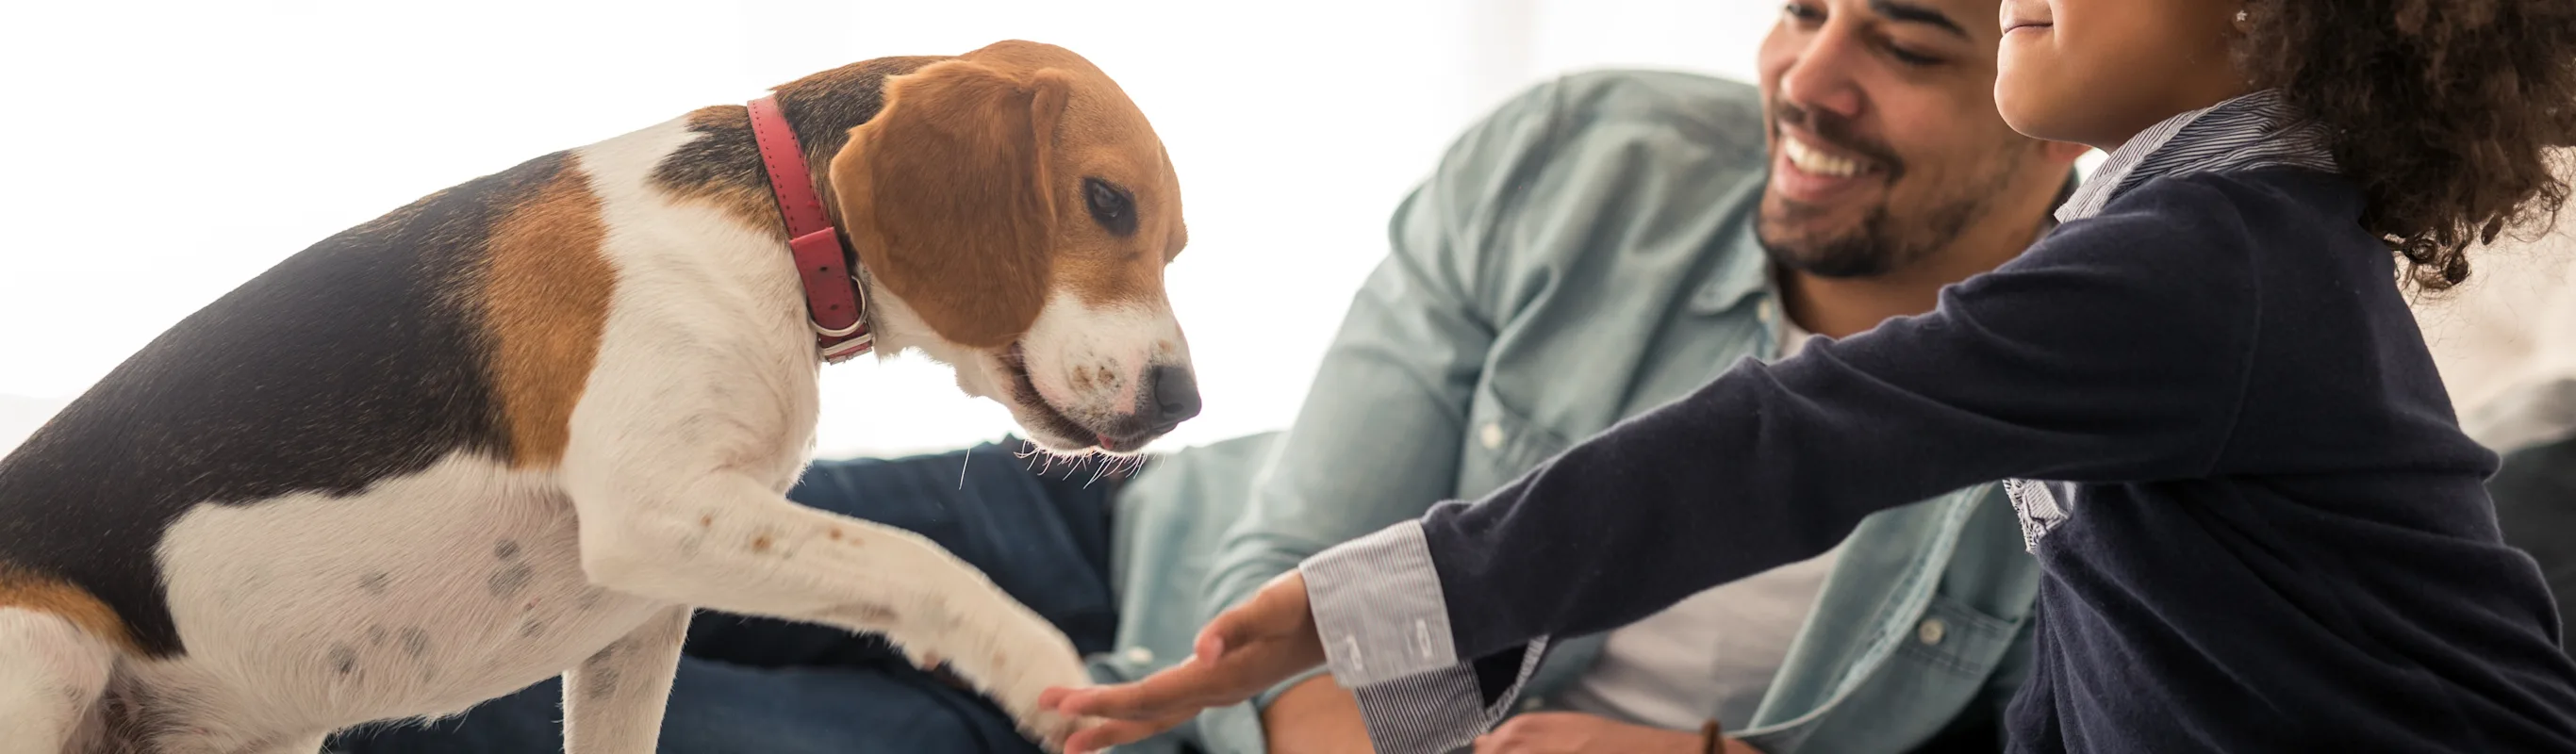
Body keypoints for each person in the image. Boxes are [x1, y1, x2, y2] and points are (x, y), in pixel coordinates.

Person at [327, 0, 2087, 751]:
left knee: (461, 717)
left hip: (1113, 720)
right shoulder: (1583, 159)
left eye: (1906, 45)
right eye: (1801, 10)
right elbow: (1297, 552)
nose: (1811, 79)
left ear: (2048, 70)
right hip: (1115, 537)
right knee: (473, 561)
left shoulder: (2112, 403)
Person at [1044, 0, 2576, 752]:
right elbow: (2111, 659)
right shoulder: (2198, 241)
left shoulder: (2212, 261)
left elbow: (1786, 442)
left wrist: (1358, 606)